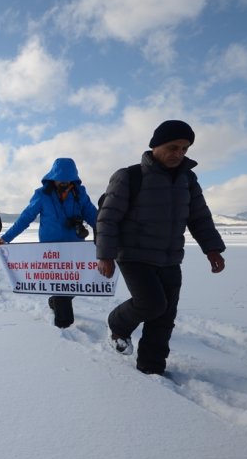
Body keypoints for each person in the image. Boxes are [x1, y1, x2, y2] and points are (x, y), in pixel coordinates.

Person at [96, 120, 226, 376]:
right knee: (152, 304)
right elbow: (108, 218)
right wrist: (105, 255)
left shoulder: (188, 179)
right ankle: (117, 322)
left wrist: (212, 249)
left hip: (170, 257)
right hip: (133, 254)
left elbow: (199, 217)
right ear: (155, 145)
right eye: (173, 147)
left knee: (165, 317)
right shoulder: (129, 176)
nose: (179, 154)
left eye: (185, 149)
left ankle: (152, 367)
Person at [0, 160, 98, 327]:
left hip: (75, 248)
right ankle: (63, 326)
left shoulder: (80, 194)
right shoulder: (42, 195)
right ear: (53, 178)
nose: (64, 183)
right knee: (61, 287)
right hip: (51, 251)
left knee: (74, 284)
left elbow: (94, 217)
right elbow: (26, 218)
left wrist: (112, 234)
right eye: (61, 179)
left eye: (68, 180)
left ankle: (54, 302)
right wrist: (6, 237)